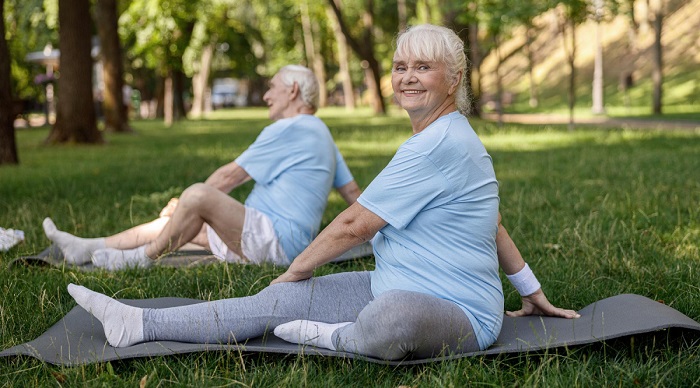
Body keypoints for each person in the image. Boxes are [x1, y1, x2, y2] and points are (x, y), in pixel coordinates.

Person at [67, 24, 579, 361]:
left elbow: (354, 222)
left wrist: (297, 269)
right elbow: (492, 225)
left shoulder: (443, 143)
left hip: (461, 312)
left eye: (422, 67)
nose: (406, 78)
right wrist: (533, 293)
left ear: (455, 80)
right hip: (393, 280)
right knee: (277, 301)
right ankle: (137, 322)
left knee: (387, 319)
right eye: (400, 67)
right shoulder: (435, 137)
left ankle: (332, 336)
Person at [44, 65, 361, 270]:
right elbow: (352, 193)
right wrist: (379, 234)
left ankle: (139, 260)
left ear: (292, 91)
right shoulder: (322, 133)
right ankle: (86, 247)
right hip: (276, 244)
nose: (266, 95)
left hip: (272, 241)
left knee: (197, 196)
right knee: (172, 224)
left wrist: (183, 202)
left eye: (272, 87)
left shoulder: (292, 127)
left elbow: (228, 177)